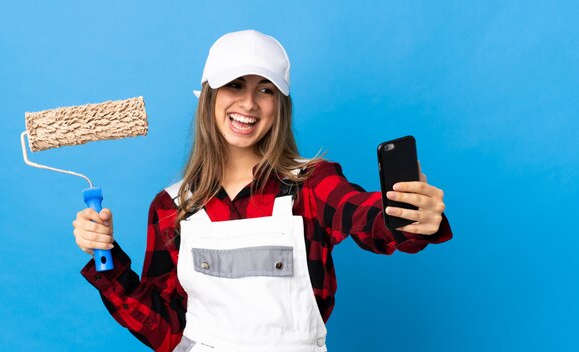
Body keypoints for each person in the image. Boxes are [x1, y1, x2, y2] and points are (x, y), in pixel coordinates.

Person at [72, 29, 452, 352]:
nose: (248, 103)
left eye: (265, 90)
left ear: (280, 105)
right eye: (235, 85)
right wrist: (107, 257)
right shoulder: (173, 207)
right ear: (209, 96)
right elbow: (168, 332)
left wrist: (407, 214)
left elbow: (362, 213)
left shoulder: (311, 186)